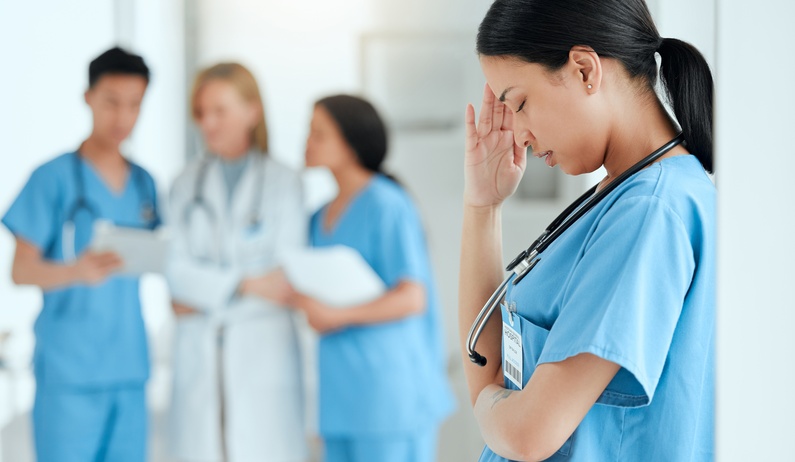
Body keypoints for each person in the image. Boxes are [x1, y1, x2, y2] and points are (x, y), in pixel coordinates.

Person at [459, 0, 716, 461]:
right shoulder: (621, 196)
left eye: (519, 103)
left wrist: (487, 406)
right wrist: (483, 206)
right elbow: (487, 367)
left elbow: (528, 434)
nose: (518, 134)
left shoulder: (649, 212)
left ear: (583, 70)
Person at [2, 47, 159, 462]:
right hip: (70, 372)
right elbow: (20, 270)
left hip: (129, 369)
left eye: (134, 105)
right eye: (111, 102)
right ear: (88, 97)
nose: (122, 118)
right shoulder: (51, 178)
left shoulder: (146, 185)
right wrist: (76, 271)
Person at [288, 94, 455, 462]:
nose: (307, 142)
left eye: (319, 133)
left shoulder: (387, 204)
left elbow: (413, 297)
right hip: (340, 396)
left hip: (389, 392)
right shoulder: (317, 218)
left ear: (349, 143)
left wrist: (337, 316)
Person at [165, 62, 309, 462]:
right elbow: (175, 277)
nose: (207, 123)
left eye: (219, 110)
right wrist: (247, 285)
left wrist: (205, 292)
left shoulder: (285, 184)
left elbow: (284, 279)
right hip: (201, 356)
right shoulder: (183, 185)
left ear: (252, 111)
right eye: (200, 113)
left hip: (262, 352)